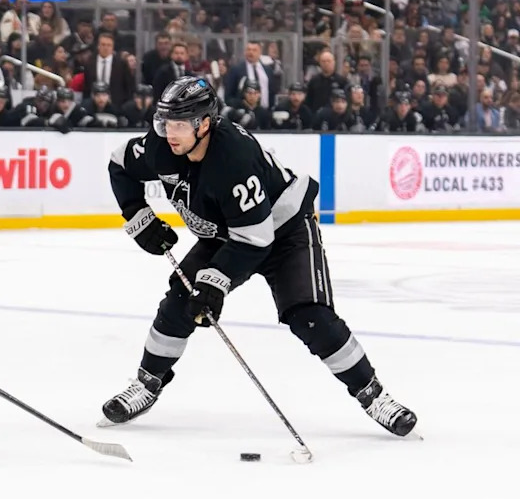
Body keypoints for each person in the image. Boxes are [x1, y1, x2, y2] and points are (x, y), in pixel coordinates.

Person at [99, 76, 417, 438]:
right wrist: (138, 216)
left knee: (309, 315)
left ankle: (373, 395)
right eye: (165, 123)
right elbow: (119, 164)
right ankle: (147, 383)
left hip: (283, 232)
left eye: (180, 125)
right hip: (227, 232)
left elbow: (256, 239)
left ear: (204, 124)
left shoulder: (235, 158)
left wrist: (215, 282)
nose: (169, 133)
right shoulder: (160, 147)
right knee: (181, 300)